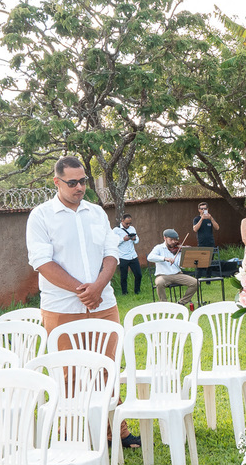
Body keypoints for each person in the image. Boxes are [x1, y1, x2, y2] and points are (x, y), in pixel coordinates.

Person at [26, 156, 137, 448]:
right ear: (57, 182)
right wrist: (82, 290)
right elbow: (41, 262)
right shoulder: (41, 216)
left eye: (83, 181)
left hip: (103, 304)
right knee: (69, 373)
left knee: (107, 368)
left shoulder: (96, 213)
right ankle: (72, 434)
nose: (79, 187)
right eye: (72, 182)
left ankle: (116, 432)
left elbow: (111, 253)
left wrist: (98, 287)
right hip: (62, 307)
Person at [149, 228, 198, 306]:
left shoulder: (178, 249)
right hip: (163, 276)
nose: (173, 242)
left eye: (175, 240)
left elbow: (180, 264)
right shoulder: (159, 248)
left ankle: (181, 303)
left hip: (177, 274)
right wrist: (164, 258)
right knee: (159, 282)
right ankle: (164, 305)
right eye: (171, 240)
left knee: (195, 283)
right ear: (165, 238)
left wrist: (185, 259)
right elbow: (150, 257)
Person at [114, 212, 143, 295]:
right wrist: (123, 239)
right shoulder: (116, 230)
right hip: (123, 256)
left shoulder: (132, 228)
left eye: (130, 223)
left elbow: (137, 240)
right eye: (126, 223)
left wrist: (134, 239)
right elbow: (113, 242)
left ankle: (137, 291)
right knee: (124, 276)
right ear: (122, 221)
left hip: (133, 255)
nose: (128, 225)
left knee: (138, 275)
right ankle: (124, 293)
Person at [192, 201, 219, 279]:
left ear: (208, 209)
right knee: (200, 261)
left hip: (211, 242)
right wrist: (202, 219)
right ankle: (198, 278)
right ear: (199, 210)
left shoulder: (210, 218)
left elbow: (217, 228)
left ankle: (208, 279)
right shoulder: (196, 219)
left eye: (205, 208)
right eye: (202, 209)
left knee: (210, 261)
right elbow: (195, 229)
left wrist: (211, 219)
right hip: (201, 243)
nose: (203, 210)